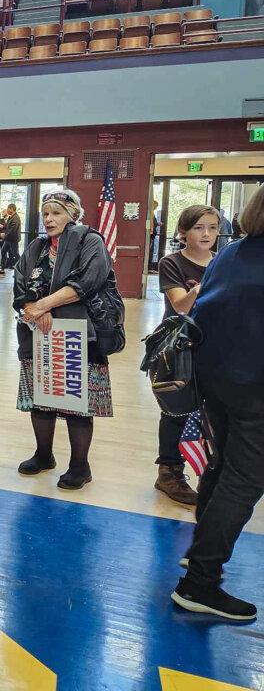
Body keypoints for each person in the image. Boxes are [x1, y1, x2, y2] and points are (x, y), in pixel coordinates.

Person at [171, 186, 264, 622]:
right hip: (253, 387)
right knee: (242, 482)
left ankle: (198, 553)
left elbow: (202, 316)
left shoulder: (231, 254)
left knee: (220, 465)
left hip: (218, 380)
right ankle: (200, 584)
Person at [14, 188, 116, 491]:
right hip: (40, 335)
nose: (49, 219)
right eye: (45, 213)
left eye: (56, 212)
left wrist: (44, 305)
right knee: (41, 400)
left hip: (80, 336)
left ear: (73, 213)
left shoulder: (90, 241)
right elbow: (20, 281)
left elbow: (87, 281)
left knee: (76, 402)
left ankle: (80, 466)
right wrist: (31, 307)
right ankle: (43, 455)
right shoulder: (37, 246)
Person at [154, 205, 219, 506]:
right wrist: (207, 284)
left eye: (212, 228)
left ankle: (211, 468)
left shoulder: (222, 261)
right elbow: (180, 305)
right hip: (176, 348)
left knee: (212, 412)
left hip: (213, 347)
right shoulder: (172, 263)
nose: (206, 234)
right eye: (198, 228)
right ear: (183, 232)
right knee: (176, 411)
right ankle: (169, 472)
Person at [0, 202, 22, 273]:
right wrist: (3, 226)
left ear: (12, 209)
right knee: (3, 252)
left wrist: (4, 235)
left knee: (16, 254)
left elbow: (12, 230)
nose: (7, 210)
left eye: (8, 208)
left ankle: (21, 269)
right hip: (8, 239)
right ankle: (2, 269)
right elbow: (8, 226)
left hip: (13, 239)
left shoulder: (16, 218)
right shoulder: (11, 217)